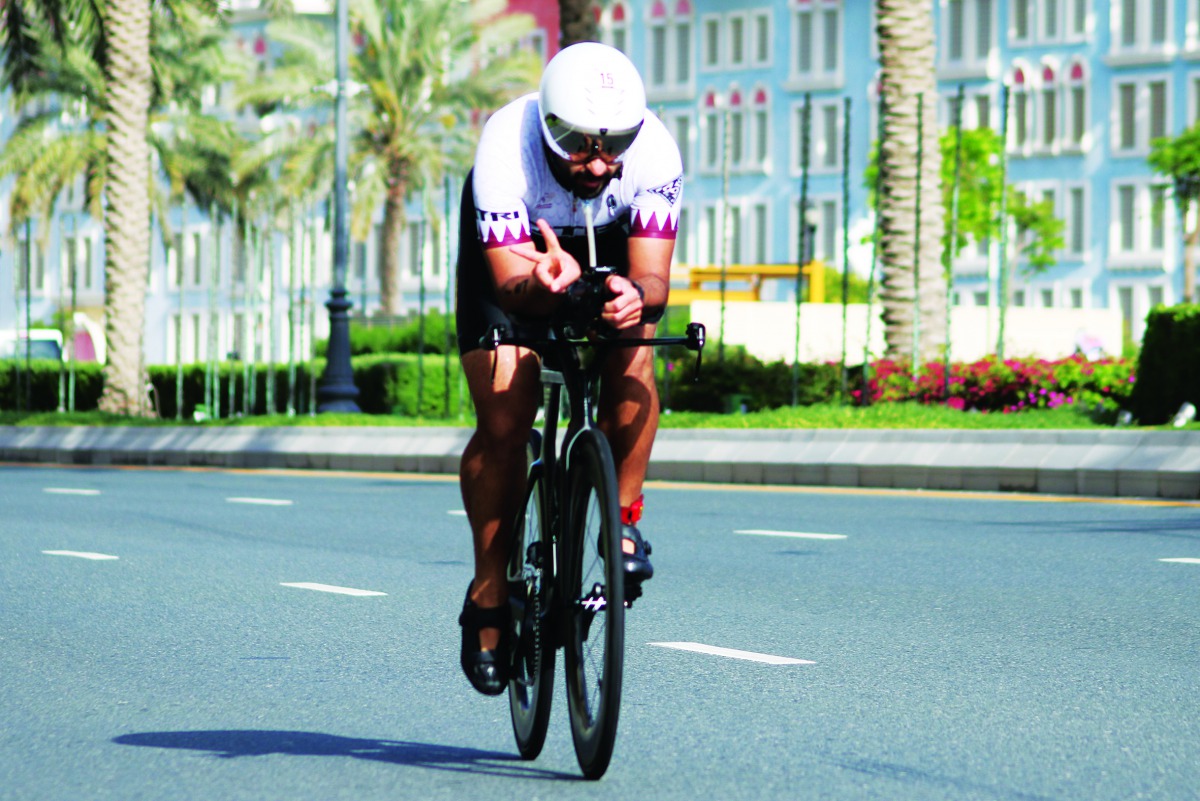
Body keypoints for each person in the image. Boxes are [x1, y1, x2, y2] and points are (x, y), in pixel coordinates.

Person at [454, 42, 684, 696]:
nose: (596, 160)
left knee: (636, 346)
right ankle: (489, 592)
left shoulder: (657, 153)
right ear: (547, 126)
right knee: (504, 405)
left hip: (608, 244)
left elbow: (654, 277)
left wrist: (634, 296)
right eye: (578, 143)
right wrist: (549, 283)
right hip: (520, 261)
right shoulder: (506, 145)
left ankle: (625, 517)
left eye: (613, 143)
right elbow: (507, 283)